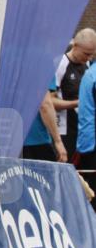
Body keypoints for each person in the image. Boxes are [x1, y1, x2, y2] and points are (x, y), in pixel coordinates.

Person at [54, 29, 96, 158]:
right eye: (86, 53)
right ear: (75, 46)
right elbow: (49, 101)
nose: (88, 57)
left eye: (92, 54)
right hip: (63, 129)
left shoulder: (88, 65)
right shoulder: (60, 64)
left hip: (82, 128)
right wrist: (80, 102)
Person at [22, 83, 68, 162]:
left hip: (4, 139)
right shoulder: (42, 70)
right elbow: (45, 104)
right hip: (36, 139)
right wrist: (58, 141)